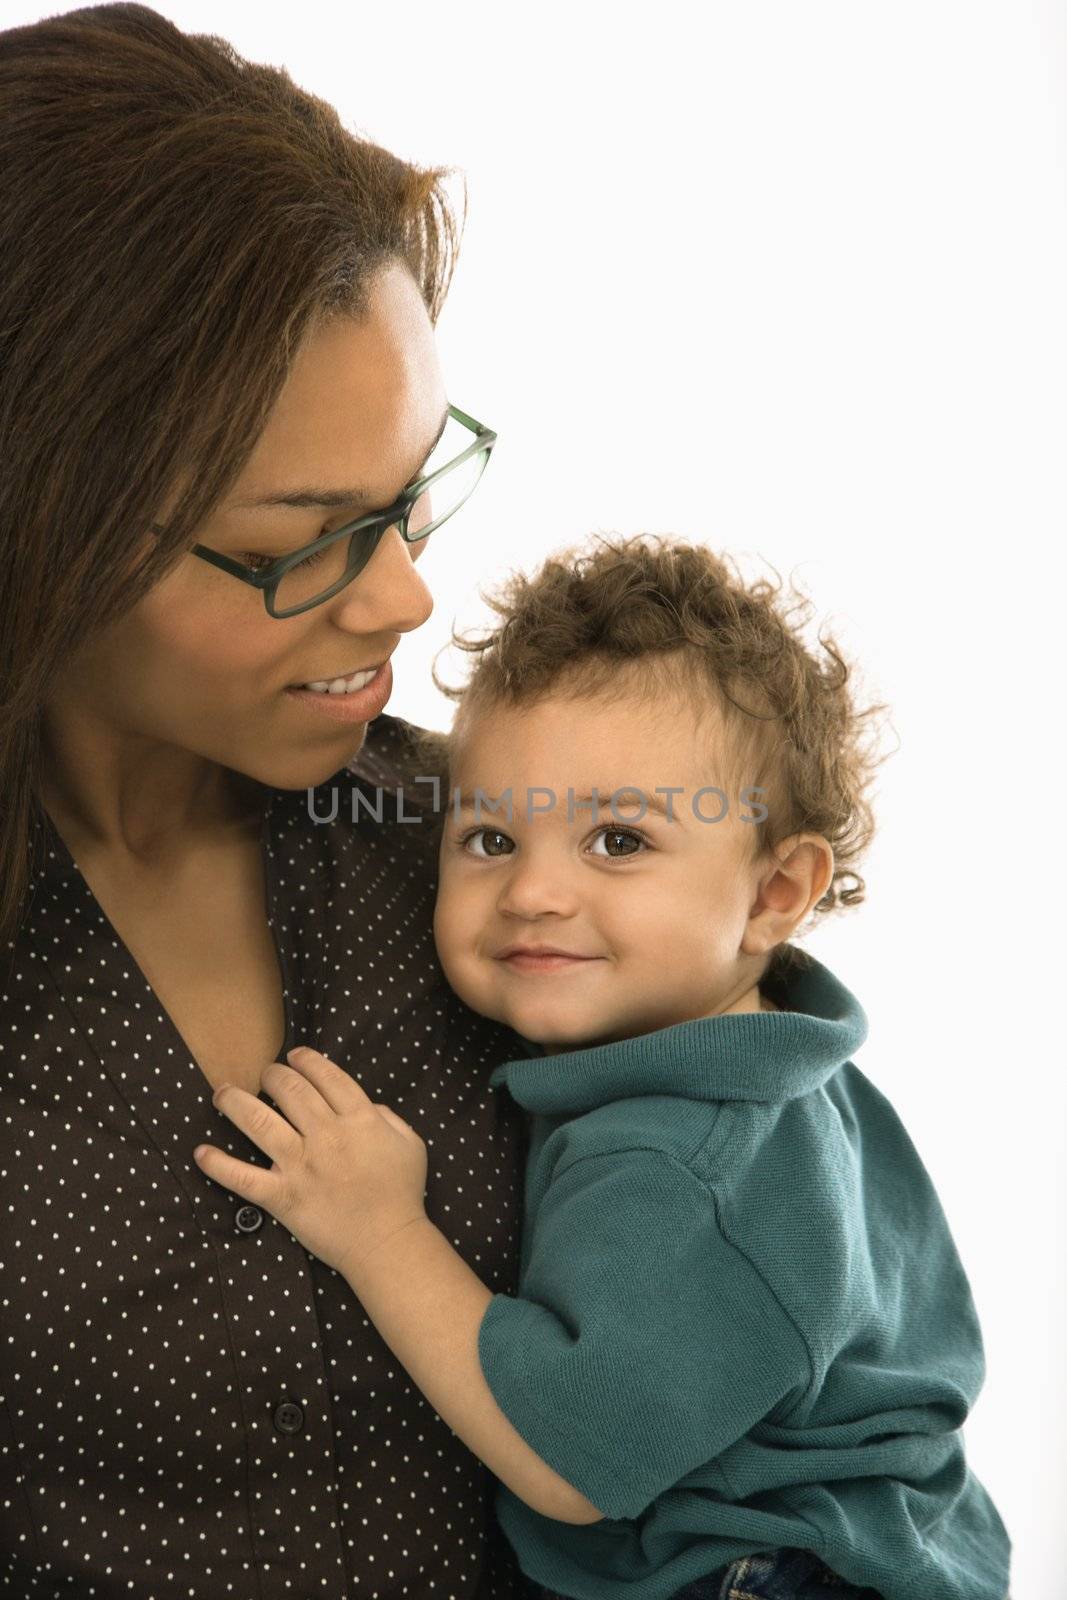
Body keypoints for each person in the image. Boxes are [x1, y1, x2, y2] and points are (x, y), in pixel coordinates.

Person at [196, 534, 1013, 1600]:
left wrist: (379, 1230)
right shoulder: (773, 1066)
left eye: (617, 842)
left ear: (774, 892)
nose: (534, 891)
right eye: (489, 839)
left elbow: (569, 1462)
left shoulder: (686, 1155)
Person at [0, 4, 540, 1594]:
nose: (403, 603)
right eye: (304, 538)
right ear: (43, 526)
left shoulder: (493, 855)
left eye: (408, 497)